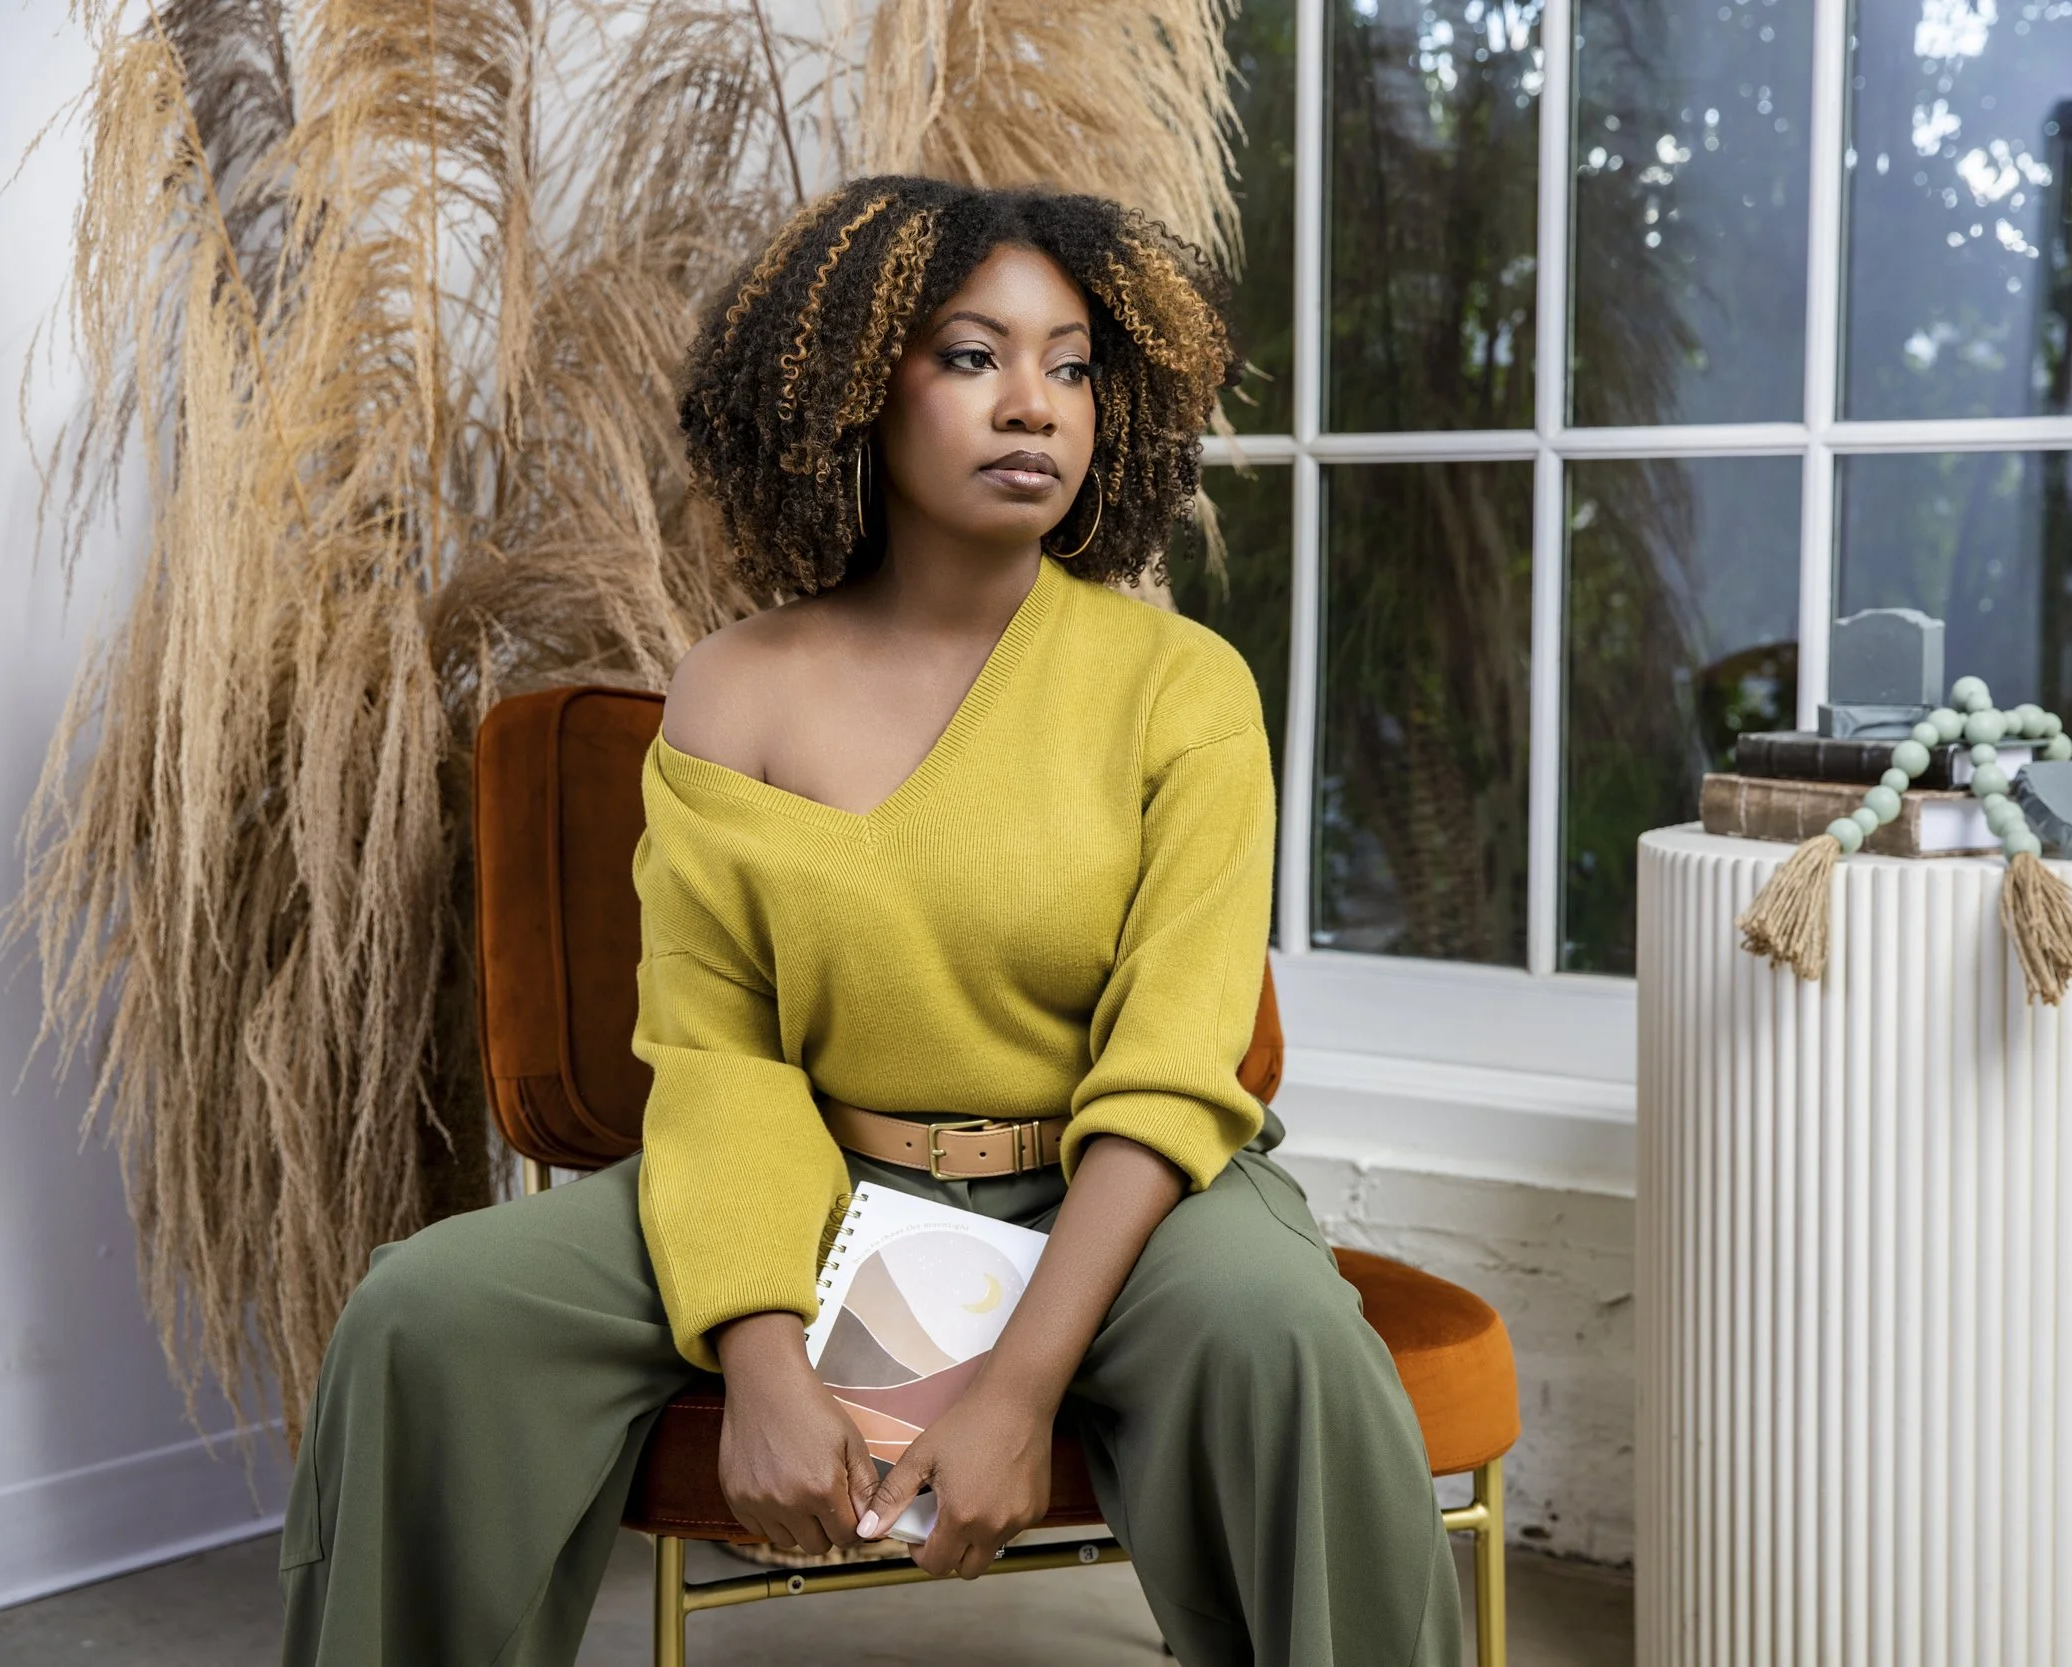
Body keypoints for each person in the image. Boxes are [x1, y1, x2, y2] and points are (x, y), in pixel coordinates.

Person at [279, 175, 1461, 1667]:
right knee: (421, 1311)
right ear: (850, 386)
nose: (1034, 402)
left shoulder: (1185, 689)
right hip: (812, 1181)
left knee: (1290, 1342)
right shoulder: (736, 687)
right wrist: (761, 1355)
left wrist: (1019, 1387)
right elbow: (715, 1053)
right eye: (973, 355)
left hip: (1125, 1199)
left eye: (1073, 363)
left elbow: (1172, 1068)